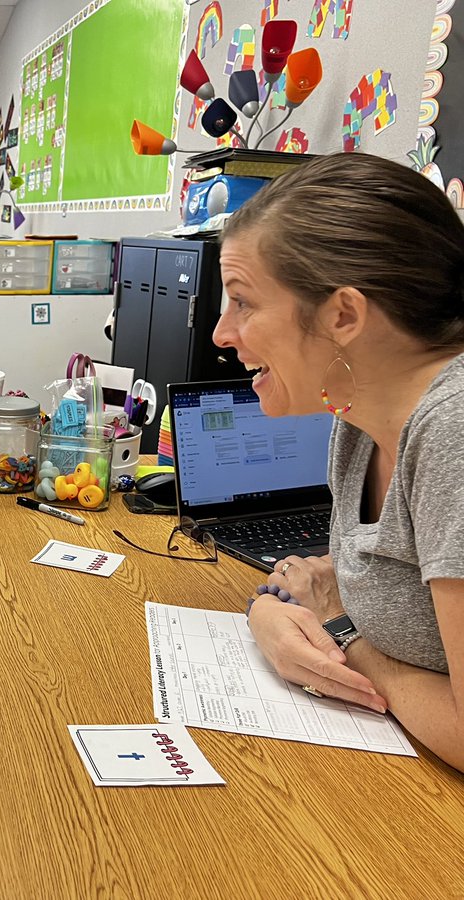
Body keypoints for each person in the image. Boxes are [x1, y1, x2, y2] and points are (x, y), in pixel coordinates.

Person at [212, 152, 464, 772]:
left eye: (243, 302)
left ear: (343, 315)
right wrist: (269, 612)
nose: (221, 333)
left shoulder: (452, 428)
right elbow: (356, 577)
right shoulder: (354, 420)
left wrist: (346, 638)